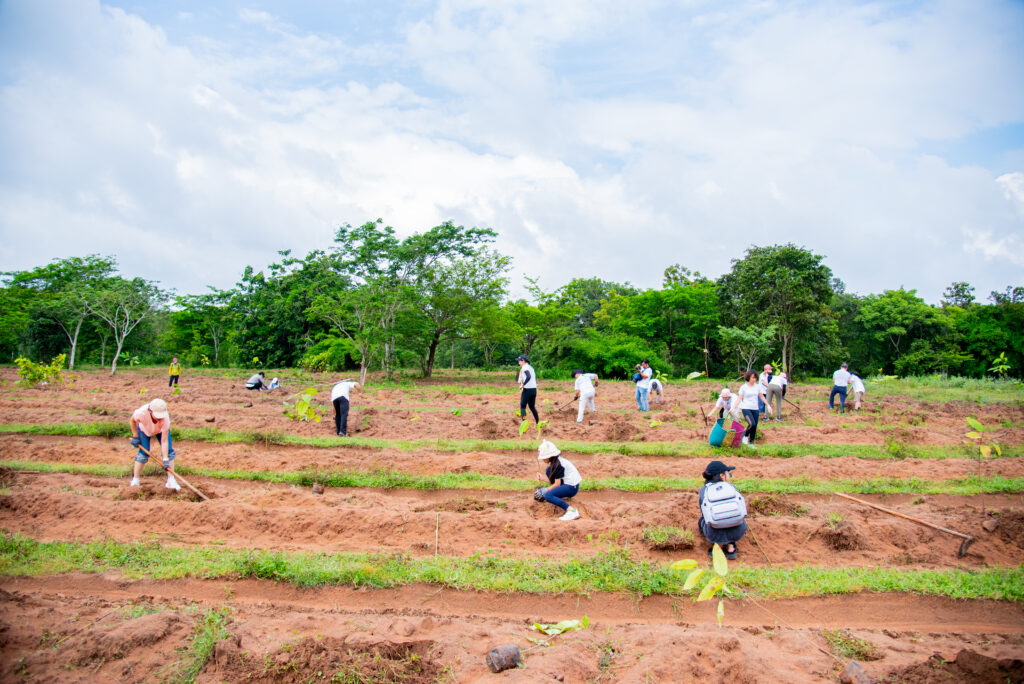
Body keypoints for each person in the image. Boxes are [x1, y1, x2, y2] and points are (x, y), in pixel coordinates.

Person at [698, 460, 747, 560]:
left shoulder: (704, 490)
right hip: (738, 531)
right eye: (728, 474)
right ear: (721, 476)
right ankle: (731, 546)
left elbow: (705, 515)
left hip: (713, 532)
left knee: (702, 521)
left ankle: (717, 545)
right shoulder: (731, 487)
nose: (730, 476)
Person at [128, 398, 179, 490]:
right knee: (144, 453)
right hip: (144, 430)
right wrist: (135, 436)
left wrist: (165, 459)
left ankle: (171, 480)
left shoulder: (165, 419)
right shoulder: (141, 413)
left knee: (169, 452)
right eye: (157, 416)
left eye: (160, 417)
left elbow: (164, 441)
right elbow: (132, 421)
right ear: (150, 411)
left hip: (160, 431)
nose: (159, 418)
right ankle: (135, 480)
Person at [535, 439, 582, 521]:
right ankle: (562, 495)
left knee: (548, 496)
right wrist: (543, 478)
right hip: (568, 484)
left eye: (543, 457)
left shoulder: (558, 465)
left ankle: (571, 511)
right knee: (548, 471)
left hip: (571, 487)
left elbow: (557, 484)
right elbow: (556, 481)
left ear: (549, 456)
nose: (542, 459)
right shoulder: (555, 463)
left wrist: (545, 490)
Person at [737, 370, 767, 447]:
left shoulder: (757, 386)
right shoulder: (743, 387)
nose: (755, 379)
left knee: (755, 426)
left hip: (755, 409)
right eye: (753, 377)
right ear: (749, 377)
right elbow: (739, 398)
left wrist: (768, 405)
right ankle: (745, 437)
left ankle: (751, 443)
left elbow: (761, 396)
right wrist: (733, 407)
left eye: (756, 378)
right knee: (751, 424)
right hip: (746, 408)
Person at [516, 355, 540, 423]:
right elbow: (532, 378)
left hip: (527, 390)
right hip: (534, 389)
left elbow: (528, 376)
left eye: (519, 361)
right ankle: (537, 422)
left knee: (522, 406)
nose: (518, 363)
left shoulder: (524, 367)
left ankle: (524, 422)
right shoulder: (531, 367)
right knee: (532, 407)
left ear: (523, 361)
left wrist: (523, 384)